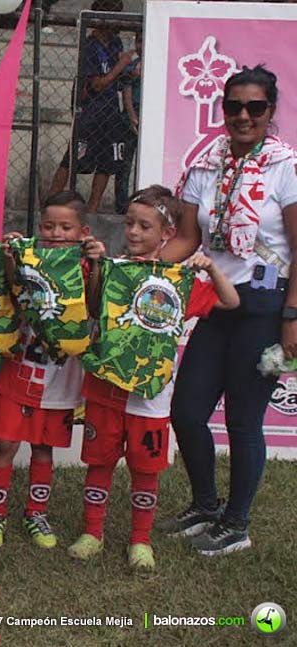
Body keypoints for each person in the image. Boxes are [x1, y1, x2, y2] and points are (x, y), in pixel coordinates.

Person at [159, 65, 297, 555]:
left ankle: (236, 524)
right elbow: (189, 240)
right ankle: (206, 505)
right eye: (234, 106)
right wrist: (139, 266)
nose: (243, 116)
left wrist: (292, 317)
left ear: (270, 112)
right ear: (224, 109)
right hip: (217, 302)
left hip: (265, 306)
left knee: (243, 421)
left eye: (255, 107)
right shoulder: (206, 164)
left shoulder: (286, 166)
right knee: (187, 410)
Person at [70, 186, 239, 569]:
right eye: (129, 223)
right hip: (105, 390)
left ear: (167, 233)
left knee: (145, 471)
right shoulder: (112, 269)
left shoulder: (177, 282)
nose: (133, 232)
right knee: (99, 463)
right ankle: (92, 532)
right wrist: (95, 264)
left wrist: (211, 267)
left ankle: (140, 541)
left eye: (145, 226)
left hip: (150, 396)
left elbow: (230, 302)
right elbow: (90, 305)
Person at [0, 191, 105, 550]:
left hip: (60, 377)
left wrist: (97, 264)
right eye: (49, 225)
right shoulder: (29, 257)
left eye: (66, 227)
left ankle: (36, 511)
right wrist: (10, 258)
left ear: (83, 232)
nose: (56, 233)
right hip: (21, 368)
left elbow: (95, 307)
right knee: (4, 444)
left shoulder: (87, 264)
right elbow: (10, 292)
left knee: (44, 448)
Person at [46, 0, 135, 215]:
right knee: (72, 159)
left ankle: (92, 210)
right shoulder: (89, 46)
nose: (116, 20)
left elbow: (117, 78)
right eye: (112, 14)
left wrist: (127, 71)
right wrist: (120, 66)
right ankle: (48, 204)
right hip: (90, 112)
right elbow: (97, 83)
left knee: (106, 163)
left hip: (111, 111)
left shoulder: (115, 43)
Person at [114, 31, 143, 215]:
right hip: (133, 113)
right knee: (125, 163)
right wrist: (132, 116)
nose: (141, 45)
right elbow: (126, 91)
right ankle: (123, 204)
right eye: (139, 41)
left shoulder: (160, 63)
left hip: (151, 110)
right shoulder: (132, 67)